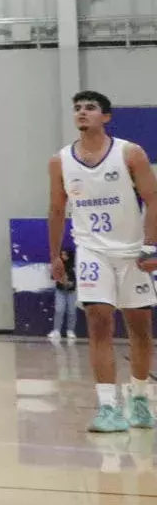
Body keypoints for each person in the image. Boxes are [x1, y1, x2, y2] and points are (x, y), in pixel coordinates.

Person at [48, 90, 157, 432]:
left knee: (140, 328)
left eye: (90, 108)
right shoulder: (60, 161)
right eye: (77, 108)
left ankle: (138, 398)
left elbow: (153, 199)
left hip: (131, 251)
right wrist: (54, 255)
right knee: (98, 321)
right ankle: (108, 406)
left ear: (106, 117)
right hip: (91, 250)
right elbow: (56, 209)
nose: (82, 112)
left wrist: (151, 247)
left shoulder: (129, 153)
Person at [50, 245, 79, 342]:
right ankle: (56, 330)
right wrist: (60, 278)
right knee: (59, 309)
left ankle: (70, 330)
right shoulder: (58, 264)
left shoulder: (75, 265)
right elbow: (53, 277)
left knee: (71, 311)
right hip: (60, 290)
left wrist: (71, 283)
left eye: (65, 254)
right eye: (61, 254)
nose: (63, 256)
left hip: (71, 291)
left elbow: (78, 278)